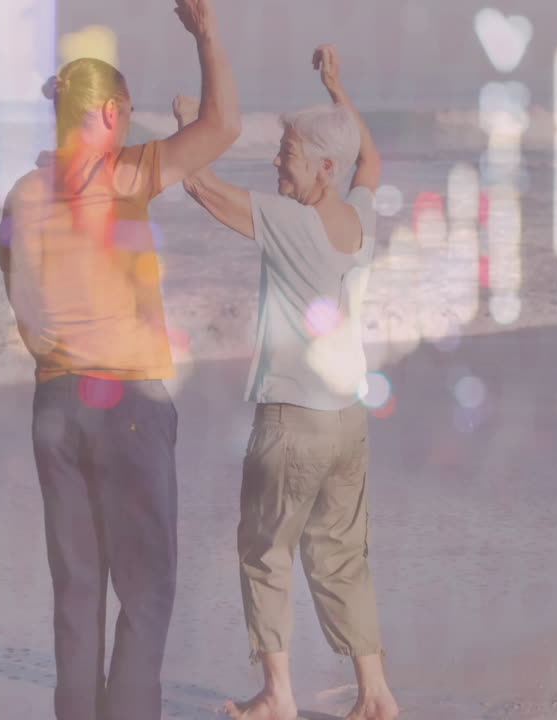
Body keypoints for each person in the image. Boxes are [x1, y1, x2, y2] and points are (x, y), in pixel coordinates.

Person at [0, 1, 240, 718]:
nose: (131, 126)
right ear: (102, 111)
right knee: (147, 585)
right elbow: (221, 126)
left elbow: (23, 307)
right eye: (126, 113)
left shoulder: (20, 195)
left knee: (76, 597)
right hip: (126, 403)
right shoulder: (122, 177)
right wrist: (207, 35)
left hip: (53, 405)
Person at [175, 44, 399, 720]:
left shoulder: (292, 221)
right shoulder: (360, 217)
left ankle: (277, 696)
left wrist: (189, 128)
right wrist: (338, 89)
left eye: (289, 155)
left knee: (265, 552)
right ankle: (376, 695)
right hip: (347, 421)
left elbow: (202, 187)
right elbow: (373, 161)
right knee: (342, 556)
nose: (277, 163)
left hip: (291, 420)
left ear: (322, 170)